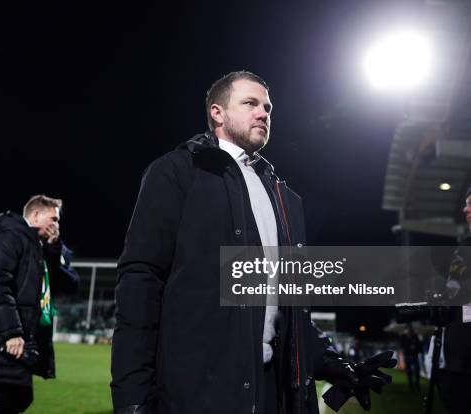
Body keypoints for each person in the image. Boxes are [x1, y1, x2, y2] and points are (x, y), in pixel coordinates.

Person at [110, 71, 394, 414]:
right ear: (217, 112)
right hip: (199, 393)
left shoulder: (283, 195)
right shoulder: (175, 171)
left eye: (268, 107)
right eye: (250, 103)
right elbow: (141, 279)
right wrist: (132, 397)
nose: (263, 113)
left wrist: (335, 364)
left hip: (272, 391)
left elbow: (287, 306)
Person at [0, 195, 79, 413]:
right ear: (35, 215)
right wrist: (10, 331)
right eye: (53, 219)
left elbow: (70, 285)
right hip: (3, 336)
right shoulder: (12, 238)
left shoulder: (45, 248)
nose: (57, 225)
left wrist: (54, 250)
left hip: (25, 335)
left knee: (11, 394)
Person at [435, 185, 471, 414]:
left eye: (470, 204)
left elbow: (452, 291)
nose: (465, 209)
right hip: (461, 356)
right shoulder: (464, 249)